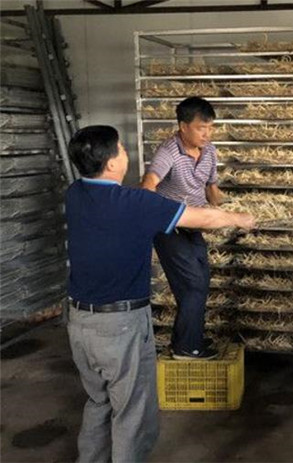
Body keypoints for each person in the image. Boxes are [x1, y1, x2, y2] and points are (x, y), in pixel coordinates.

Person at [65, 125, 254, 462]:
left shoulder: (75, 193)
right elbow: (200, 218)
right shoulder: (135, 202)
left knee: (98, 401)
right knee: (132, 411)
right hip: (119, 324)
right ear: (111, 163)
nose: (126, 153)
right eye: (122, 148)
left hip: (79, 321)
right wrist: (238, 218)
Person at [141, 96, 226, 359]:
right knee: (193, 283)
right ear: (183, 126)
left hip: (194, 225)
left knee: (200, 280)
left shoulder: (209, 151)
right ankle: (187, 347)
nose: (207, 134)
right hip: (170, 228)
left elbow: (212, 190)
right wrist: (151, 212)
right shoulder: (169, 151)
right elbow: (148, 184)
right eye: (201, 128)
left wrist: (227, 212)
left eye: (210, 127)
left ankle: (189, 340)